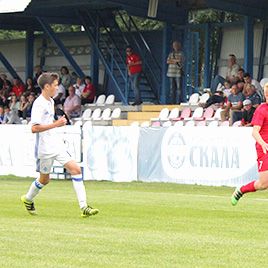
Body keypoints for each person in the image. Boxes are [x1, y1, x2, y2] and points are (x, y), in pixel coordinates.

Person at [21, 72, 99, 217]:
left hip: (56, 145)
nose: (57, 88)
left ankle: (84, 207)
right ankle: (28, 198)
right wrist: (56, 124)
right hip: (44, 149)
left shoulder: (50, 101)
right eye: (55, 85)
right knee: (45, 180)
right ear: (47, 86)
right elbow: (34, 128)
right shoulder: (39, 104)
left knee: (76, 170)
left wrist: (57, 125)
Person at [231, 83, 268, 205]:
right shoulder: (262, 110)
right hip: (264, 148)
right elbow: (254, 132)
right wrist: (263, 143)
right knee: (263, 184)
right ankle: (241, 190)